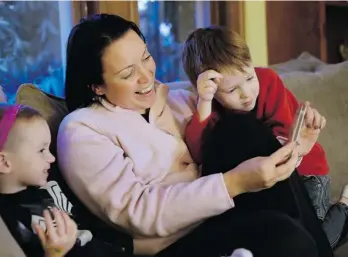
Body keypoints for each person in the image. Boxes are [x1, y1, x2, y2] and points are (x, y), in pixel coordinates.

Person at [57, 13, 325, 257]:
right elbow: (136, 212)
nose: (146, 76)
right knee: (287, 237)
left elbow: (250, 148)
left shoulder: (179, 100)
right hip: (172, 242)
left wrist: (296, 147)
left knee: (243, 128)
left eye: (146, 57)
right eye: (128, 73)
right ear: (97, 86)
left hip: (223, 213)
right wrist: (235, 183)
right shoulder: (82, 129)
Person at [182, 25, 348, 249]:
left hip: (306, 173)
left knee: (314, 239)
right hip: (267, 185)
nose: (247, 94)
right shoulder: (209, 107)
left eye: (250, 78)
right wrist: (203, 103)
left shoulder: (269, 82)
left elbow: (284, 134)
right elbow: (199, 151)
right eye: (232, 91)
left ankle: (344, 208)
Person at [0, 103, 131, 257]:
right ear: (4, 163)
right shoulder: (10, 220)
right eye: (41, 150)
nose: (51, 158)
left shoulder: (47, 182)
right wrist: (55, 252)